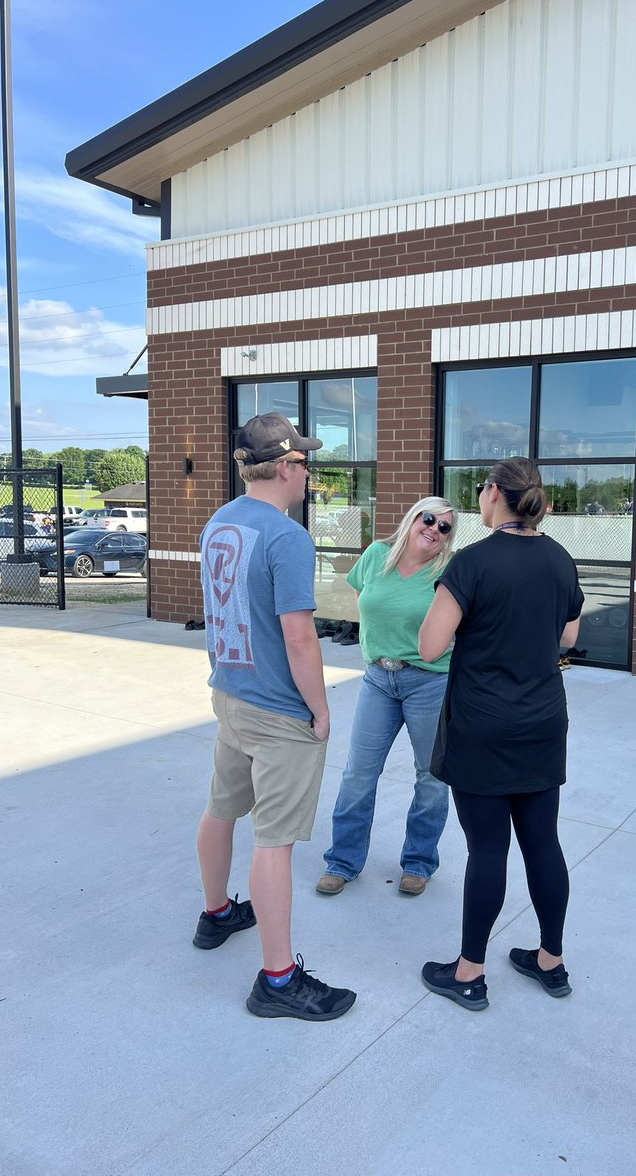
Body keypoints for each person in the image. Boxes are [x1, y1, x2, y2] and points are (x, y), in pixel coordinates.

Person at [194, 411, 356, 1022]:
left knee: (222, 807)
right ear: (286, 466)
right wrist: (319, 710)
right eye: (305, 462)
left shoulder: (220, 522)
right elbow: (299, 639)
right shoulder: (287, 537)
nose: (309, 473)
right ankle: (280, 980)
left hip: (231, 694)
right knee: (275, 843)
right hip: (277, 707)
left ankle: (216, 916)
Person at [417, 457, 584, 1011]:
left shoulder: (472, 562)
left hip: (482, 726)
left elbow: (430, 646)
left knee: (487, 849)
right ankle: (551, 962)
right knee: (543, 844)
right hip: (541, 723)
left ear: (492, 494)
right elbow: (567, 635)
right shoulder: (560, 559)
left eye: (481, 492)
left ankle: (469, 973)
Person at [316, 497, 457, 898]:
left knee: (430, 776)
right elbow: (364, 597)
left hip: (429, 682)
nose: (434, 529)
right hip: (379, 678)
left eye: (445, 527)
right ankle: (342, 862)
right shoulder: (377, 555)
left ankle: (418, 863)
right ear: (413, 518)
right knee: (358, 773)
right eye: (429, 518)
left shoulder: (448, 569)